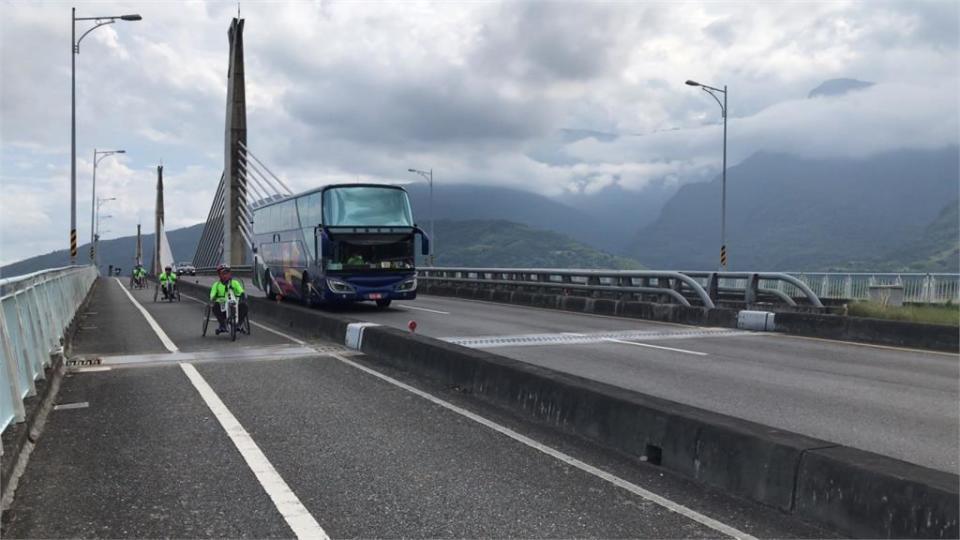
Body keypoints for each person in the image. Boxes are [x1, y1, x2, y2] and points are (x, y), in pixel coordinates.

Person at [209, 264, 247, 334]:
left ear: (230, 274)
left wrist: (243, 295)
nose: (225, 275)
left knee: (244, 306)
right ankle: (223, 325)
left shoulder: (235, 283)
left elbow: (241, 291)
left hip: (235, 303)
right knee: (215, 307)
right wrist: (212, 298)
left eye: (226, 273)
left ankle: (239, 325)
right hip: (222, 306)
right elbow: (212, 294)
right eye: (222, 274)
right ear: (219, 275)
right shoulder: (216, 285)